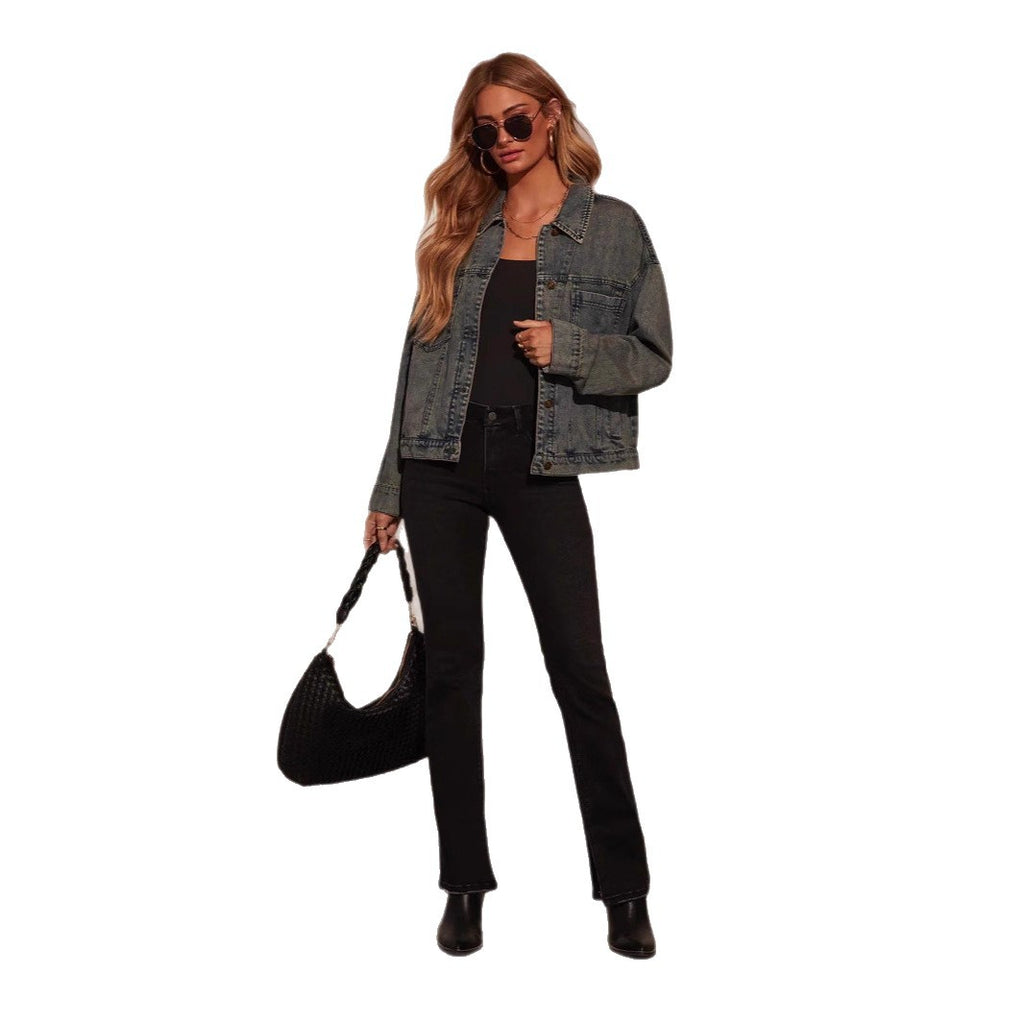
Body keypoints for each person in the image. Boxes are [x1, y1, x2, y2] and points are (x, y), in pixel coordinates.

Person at [363, 52, 673, 958]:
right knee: (453, 677)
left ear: (552, 115)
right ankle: (463, 885)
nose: (501, 140)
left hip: (543, 466)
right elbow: (417, 365)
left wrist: (568, 348)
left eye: (516, 122)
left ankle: (624, 889)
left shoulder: (613, 228)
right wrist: (388, 489)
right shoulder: (462, 227)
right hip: (441, 465)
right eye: (484, 129)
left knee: (580, 672)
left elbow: (654, 353)